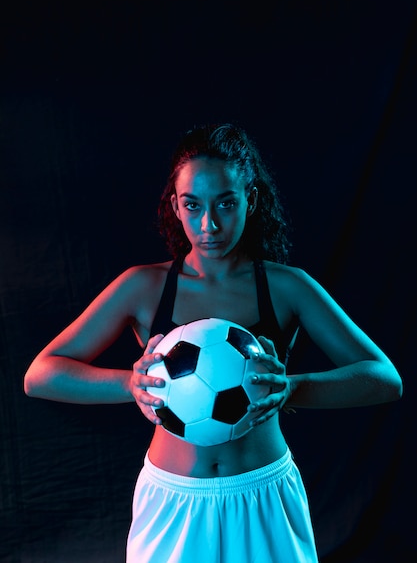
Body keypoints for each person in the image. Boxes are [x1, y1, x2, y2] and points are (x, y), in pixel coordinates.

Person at [24, 123, 403, 563]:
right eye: (193, 205)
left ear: (251, 200)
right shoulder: (143, 287)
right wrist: (130, 385)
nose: (210, 224)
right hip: (173, 499)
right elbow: (41, 374)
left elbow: (384, 378)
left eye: (226, 203)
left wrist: (291, 388)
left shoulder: (287, 288)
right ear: (176, 206)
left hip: (262, 493)